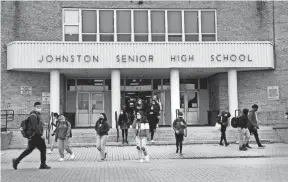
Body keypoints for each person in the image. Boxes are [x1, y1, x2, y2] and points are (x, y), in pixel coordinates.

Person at [12, 102, 51, 170]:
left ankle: (16, 161)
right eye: (38, 107)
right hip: (35, 135)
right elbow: (34, 126)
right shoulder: (33, 115)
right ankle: (43, 164)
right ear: (35, 107)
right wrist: (41, 134)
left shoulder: (37, 115)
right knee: (42, 148)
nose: (39, 108)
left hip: (35, 135)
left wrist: (43, 124)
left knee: (31, 149)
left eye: (40, 106)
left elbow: (37, 124)